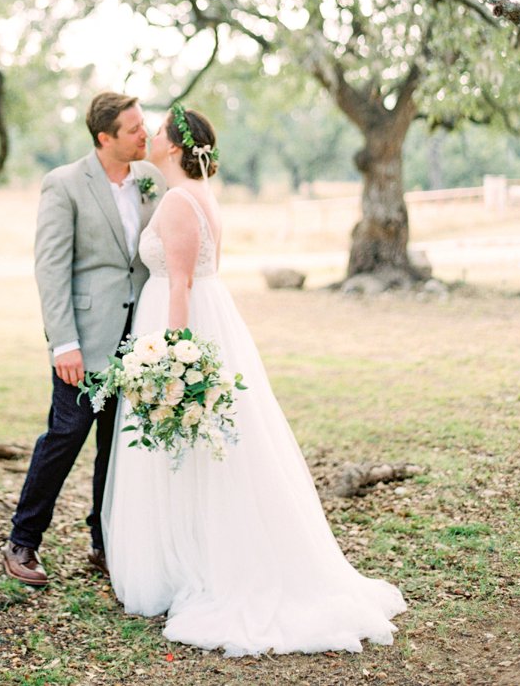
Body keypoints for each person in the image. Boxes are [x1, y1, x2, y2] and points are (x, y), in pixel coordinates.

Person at [102, 104, 406, 656]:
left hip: (183, 323)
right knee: (203, 450)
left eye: (159, 131)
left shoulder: (177, 201)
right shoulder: (198, 196)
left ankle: (195, 564)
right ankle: (190, 553)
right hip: (210, 319)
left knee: (192, 448)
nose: (150, 136)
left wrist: (171, 357)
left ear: (174, 147)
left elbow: (180, 284)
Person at [2, 91, 163, 587]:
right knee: (65, 437)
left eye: (144, 125)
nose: (145, 134)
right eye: (134, 129)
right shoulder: (65, 184)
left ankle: (104, 543)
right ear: (104, 137)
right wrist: (62, 343)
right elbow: (51, 269)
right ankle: (22, 542)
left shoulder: (151, 182)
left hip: (140, 339)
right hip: (85, 342)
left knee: (118, 446)